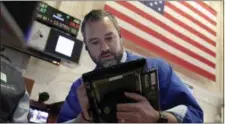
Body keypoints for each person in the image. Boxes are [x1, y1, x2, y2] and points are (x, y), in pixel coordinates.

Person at [57, 9, 203, 123]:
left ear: (120, 37)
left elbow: (196, 116)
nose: (104, 48)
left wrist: (158, 119)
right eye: (95, 42)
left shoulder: (158, 69)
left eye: (109, 38)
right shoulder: (80, 89)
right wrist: (84, 119)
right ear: (87, 47)